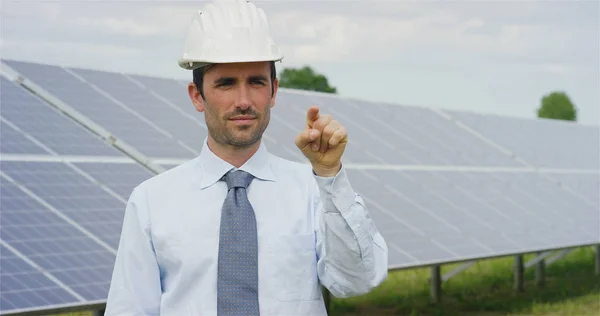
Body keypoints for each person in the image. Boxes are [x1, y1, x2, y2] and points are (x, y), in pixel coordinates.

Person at [104, 0, 388, 315]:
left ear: (274, 91)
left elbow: (358, 281)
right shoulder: (150, 203)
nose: (243, 101)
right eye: (226, 83)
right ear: (197, 96)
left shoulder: (314, 191)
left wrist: (330, 173)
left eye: (256, 82)